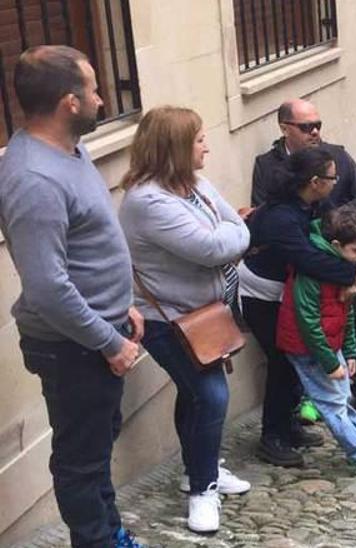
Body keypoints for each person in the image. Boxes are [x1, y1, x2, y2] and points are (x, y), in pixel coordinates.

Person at [0, 45, 145, 548]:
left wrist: (120, 304)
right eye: (93, 89)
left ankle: (109, 534)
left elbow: (83, 251)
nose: (103, 98)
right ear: (69, 103)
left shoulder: (68, 150)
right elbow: (47, 288)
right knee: (80, 459)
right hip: (73, 347)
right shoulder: (33, 179)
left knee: (96, 443)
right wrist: (110, 341)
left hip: (99, 330)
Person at [119, 106, 252, 534]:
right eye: (198, 140)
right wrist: (236, 237)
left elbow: (229, 230)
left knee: (194, 392)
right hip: (168, 319)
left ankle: (200, 466)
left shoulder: (192, 184)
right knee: (210, 396)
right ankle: (202, 489)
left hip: (205, 313)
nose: (206, 146)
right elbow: (217, 245)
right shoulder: (147, 202)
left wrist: (232, 236)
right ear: (174, 147)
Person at [250, 98, 356, 412]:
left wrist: (342, 227)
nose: (315, 132)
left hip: (338, 253)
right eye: (307, 127)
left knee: (352, 319)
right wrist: (348, 271)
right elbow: (299, 248)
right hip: (291, 277)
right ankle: (306, 407)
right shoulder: (273, 178)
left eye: (318, 125)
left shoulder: (336, 158)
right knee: (297, 342)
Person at [241, 148, 356, 468]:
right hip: (262, 294)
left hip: (286, 291)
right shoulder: (281, 217)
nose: (335, 183)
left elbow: (328, 239)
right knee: (282, 364)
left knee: (293, 366)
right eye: (331, 178)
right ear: (314, 182)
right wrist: (351, 273)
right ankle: (273, 437)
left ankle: (290, 425)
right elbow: (308, 259)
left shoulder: (311, 204)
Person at [276, 206, 356, 482]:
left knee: (341, 398)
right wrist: (330, 363)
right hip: (310, 350)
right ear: (335, 246)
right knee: (332, 404)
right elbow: (308, 321)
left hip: (330, 345)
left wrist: (350, 350)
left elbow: (346, 312)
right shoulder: (312, 272)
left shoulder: (341, 269)